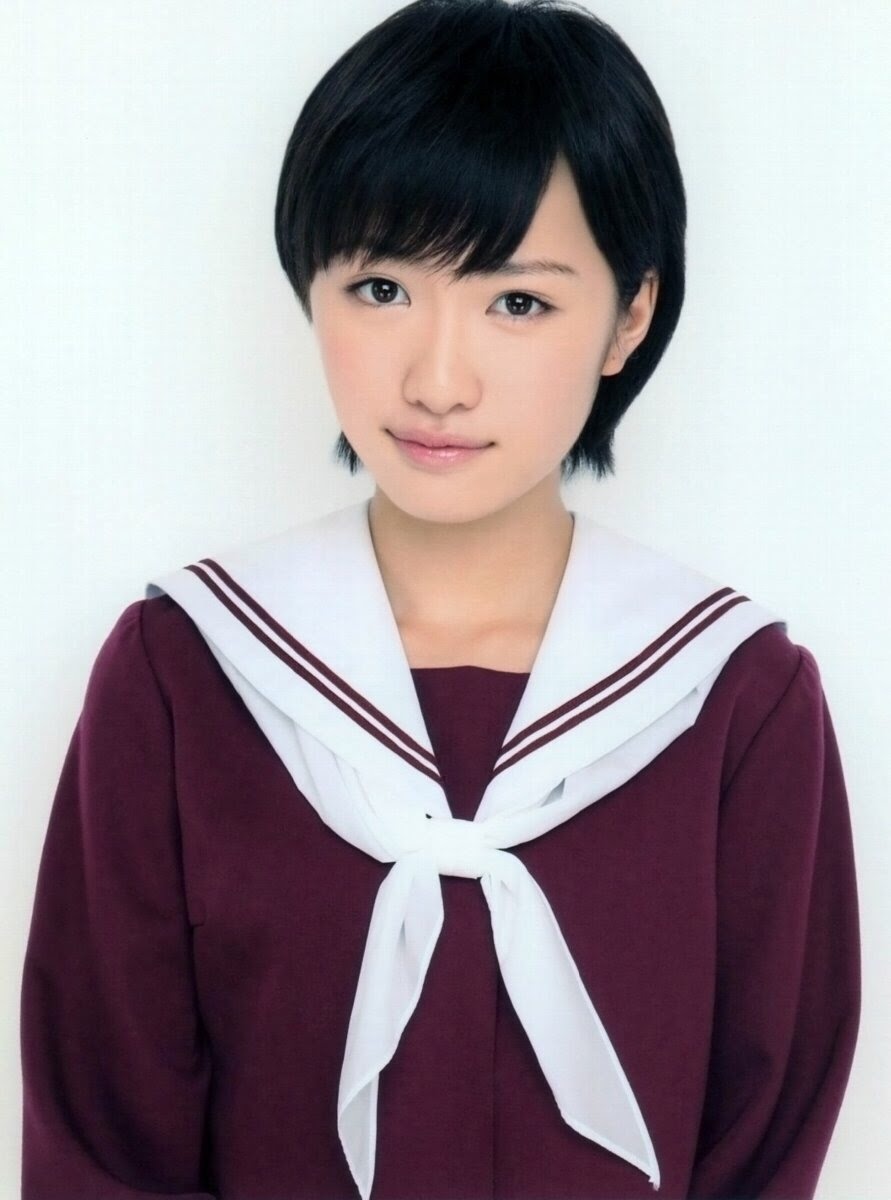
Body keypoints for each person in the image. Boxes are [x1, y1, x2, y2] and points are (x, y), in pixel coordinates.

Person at [19, 1, 860, 1198]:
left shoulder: (736, 700)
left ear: (629, 316)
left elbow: (766, 1147)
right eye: (380, 287)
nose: (438, 379)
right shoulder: (186, 672)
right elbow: (102, 1145)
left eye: (518, 302)